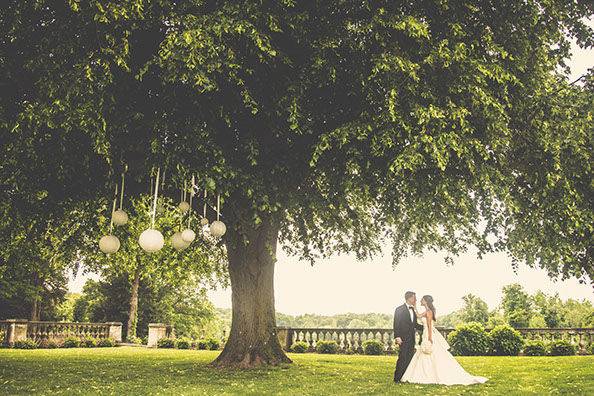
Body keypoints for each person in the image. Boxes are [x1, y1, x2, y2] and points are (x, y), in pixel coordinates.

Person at [401, 295, 488, 385]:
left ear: (426, 301)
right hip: (425, 333)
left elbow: (430, 326)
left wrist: (430, 337)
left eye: (422, 300)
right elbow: (418, 315)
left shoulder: (429, 312)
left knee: (432, 353)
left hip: (428, 334)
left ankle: (432, 374)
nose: (420, 301)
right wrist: (414, 307)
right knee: (424, 353)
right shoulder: (426, 311)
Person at [393, 291, 424, 382]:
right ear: (409, 298)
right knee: (402, 357)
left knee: (410, 358)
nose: (416, 300)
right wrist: (397, 336)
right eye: (414, 298)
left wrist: (426, 327)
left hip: (411, 338)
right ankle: (397, 378)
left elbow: (414, 324)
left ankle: (405, 378)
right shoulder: (399, 309)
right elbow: (396, 324)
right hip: (402, 338)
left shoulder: (413, 310)